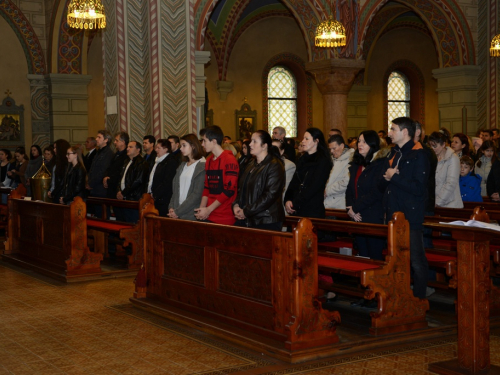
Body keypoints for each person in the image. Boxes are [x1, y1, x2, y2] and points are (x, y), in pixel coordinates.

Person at [382, 117, 430, 300]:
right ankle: (399, 296)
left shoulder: (419, 154)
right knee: (395, 258)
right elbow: (386, 181)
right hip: (393, 213)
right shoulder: (394, 153)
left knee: (416, 259)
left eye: (393, 129)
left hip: (410, 215)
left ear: (404, 132)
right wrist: (387, 178)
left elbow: (419, 188)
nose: (389, 133)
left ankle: (419, 299)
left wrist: (394, 177)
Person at [345, 130, 388, 260]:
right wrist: (350, 208)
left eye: (364, 141)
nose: (360, 144)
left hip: (373, 215)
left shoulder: (380, 164)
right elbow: (350, 189)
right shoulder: (356, 164)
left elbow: (376, 192)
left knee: (374, 256)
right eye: (359, 141)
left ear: (373, 144)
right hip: (357, 216)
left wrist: (355, 208)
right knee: (362, 257)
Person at [233, 131, 285, 230]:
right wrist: (236, 205)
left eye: (254, 141)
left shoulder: (274, 165)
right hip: (249, 217)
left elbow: (270, 195)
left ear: (264, 146)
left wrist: (246, 211)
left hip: (266, 220)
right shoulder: (251, 163)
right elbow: (241, 188)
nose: (250, 144)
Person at [195, 125, 239, 224]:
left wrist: (208, 209)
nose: (202, 144)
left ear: (214, 141)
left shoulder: (229, 160)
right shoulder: (209, 160)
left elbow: (229, 190)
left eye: (204, 141)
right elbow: (207, 187)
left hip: (224, 216)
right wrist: (202, 208)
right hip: (209, 214)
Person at [284, 127, 332, 219]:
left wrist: (296, 202)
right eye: (303, 138)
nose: (302, 141)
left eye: (306, 139)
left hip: (311, 209)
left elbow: (314, 186)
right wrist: (288, 199)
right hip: (296, 208)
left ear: (316, 141)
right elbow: (294, 182)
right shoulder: (302, 159)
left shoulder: (323, 161)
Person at [168, 134, 206, 220]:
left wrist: (178, 211)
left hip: (191, 213)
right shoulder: (182, 165)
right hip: (177, 210)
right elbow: (175, 189)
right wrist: (171, 208)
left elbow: (197, 194)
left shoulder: (202, 166)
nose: (181, 148)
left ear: (193, 146)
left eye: (184, 145)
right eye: (181, 146)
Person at [116, 141, 149, 223]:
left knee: (133, 223)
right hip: (124, 197)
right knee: (124, 222)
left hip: (134, 198)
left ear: (138, 150)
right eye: (127, 147)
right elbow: (121, 178)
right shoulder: (126, 161)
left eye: (130, 147)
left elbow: (138, 181)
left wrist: (123, 193)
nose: (127, 149)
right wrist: (119, 191)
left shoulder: (142, 163)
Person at [428, 131, 463, 208]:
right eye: (430, 146)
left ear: (443, 144)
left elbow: (451, 183)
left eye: (435, 146)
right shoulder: (432, 158)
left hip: (451, 204)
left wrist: (437, 202)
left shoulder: (453, 158)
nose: (432, 149)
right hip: (435, 203)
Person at [146, 139, 179, 216]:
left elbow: (167, 182)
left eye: (158, 148)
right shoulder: (159, 161)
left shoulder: (171, 162)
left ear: (166, 149)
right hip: (157, 197)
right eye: (156, 147)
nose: (156, 150)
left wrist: (155, 194)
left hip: (164, 199)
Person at [324, 134, 354, 209]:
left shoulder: (350, 160)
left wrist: (327, 191)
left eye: (334, 148)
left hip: (339, 203)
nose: (331, 151)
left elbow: (345, 182)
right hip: (328, 201)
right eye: (330, 149)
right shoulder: (332, 160)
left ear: (342, 146)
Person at [87, 130, 114, 202]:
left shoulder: (108, 153)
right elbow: (93, 169)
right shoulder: (99, 152)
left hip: (101, 189)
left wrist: (91, 183)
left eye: (99, 137)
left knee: (103, 211)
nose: (96, 139)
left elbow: (102, 171)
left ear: (106, 140)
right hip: (95, 188)